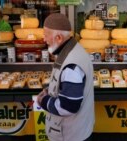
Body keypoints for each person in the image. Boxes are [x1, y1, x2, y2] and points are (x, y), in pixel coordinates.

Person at [37, 13, 95, 141]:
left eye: (46, 35)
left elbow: (68, 107)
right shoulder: (74, 49)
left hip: (70, 135)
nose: (44, 39)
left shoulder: (71, 65)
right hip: (79, 131)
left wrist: (44, 101)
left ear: (58, 37)